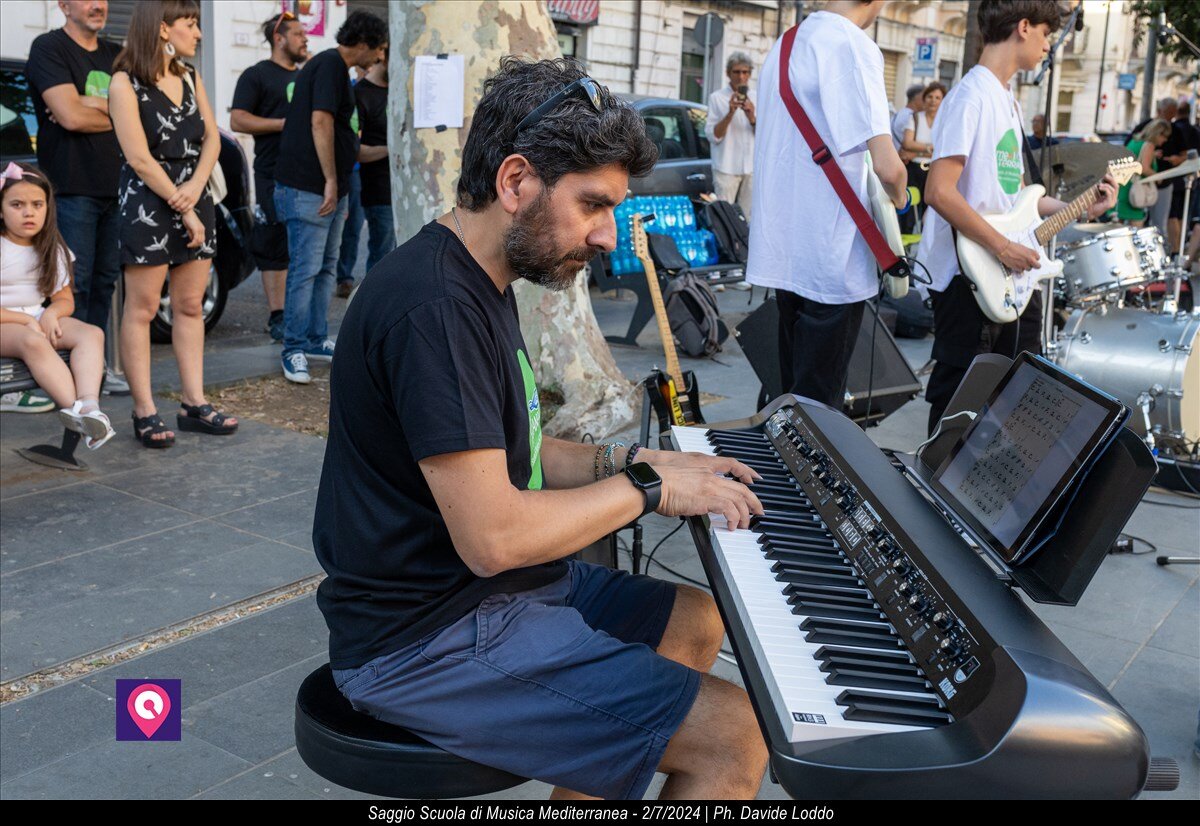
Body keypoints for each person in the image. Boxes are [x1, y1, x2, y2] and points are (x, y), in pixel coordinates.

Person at [317, 56, 769, 800]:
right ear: (516, 181)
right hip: (425, 638)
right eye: (593, 204)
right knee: (735, 735)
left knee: (691, 617)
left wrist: (634, 456)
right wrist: (649, 489)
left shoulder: (481, 276)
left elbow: (517, 451)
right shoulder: (434, 309)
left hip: (488, 600)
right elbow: (496, 539)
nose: (606, 235)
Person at [919, 0, 1117, 435]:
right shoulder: (971, 97)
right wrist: (1003, 246)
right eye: (1047, 34)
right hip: (968, 275)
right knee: (960, 402)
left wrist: (1087, 203)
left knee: (1014, 390)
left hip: (1003, 272)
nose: (1049, 46)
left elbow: (1017, 202)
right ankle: (930, 491)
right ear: (1023, 28)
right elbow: (938, 191)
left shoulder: (1006, 99)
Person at [746, 0, 908, 408]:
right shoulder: (852, 44)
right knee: (819, 415)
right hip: (831, 260)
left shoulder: (784, 46)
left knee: (789, 402)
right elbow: (889, 169)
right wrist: (901, 198)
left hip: (785, 254)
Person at [109, 0, 237, 448]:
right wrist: (181, 204)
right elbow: (138, 156)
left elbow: (213, 137)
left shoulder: (190, 76)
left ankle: (194, 403)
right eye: (190, 24)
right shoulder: (124, 82)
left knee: (189, 305)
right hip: (150, 197)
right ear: (163, 29)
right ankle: (144, 410)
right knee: (142, 309)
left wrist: (197, 188)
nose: (198, 33)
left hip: (193, 196)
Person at [274, 10, 388, 385]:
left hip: (330, 188)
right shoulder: (328, 65)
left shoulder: (336, 69)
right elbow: (320, 121)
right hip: (309, 187)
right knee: (306, 270)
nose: (378, 58)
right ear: (364, 44)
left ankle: (314, 337)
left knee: (326, 266)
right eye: (379, 50)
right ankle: (292, 348)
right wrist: (328, 180)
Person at [25, 0, 129, 395]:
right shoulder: (49, 48)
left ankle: (94, 370)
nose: (98, 4)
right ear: (63, 5)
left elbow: (135, 111)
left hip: (117, 186)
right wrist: (112, 110)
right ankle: (62, 376)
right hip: (71, 190)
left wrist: (89, 104)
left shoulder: (116, 53)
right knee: (74, 286)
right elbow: (68, 116)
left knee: (104, 283)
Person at [0, 162, 114, 449]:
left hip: (35, 316)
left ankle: (90, 407)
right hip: (6, 323)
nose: (29, 212)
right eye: (17, 204)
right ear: (0, 209)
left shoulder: (52, 246)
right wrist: (25, 321)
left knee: (92, 334)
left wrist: (51, 312)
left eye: (37, 204)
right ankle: (75, 412)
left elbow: (65, 299)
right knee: (33, 341)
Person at [230, 11, 308, 343]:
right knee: (273, 244)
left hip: (307, 176)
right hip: (271, 175)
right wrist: (282, 125)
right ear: (279, 39)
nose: (305, 39)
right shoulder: (255, 75)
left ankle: (299, 318)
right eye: (298, 34)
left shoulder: (307, 76)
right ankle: (277, 316)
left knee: (301, 248)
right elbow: (238, 120)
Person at [352, 52, 396, 276]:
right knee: (383, 257)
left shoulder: (400, 88)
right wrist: (393, 149)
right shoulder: (359, 94)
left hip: (402, 191)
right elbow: (355, 151)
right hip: (378, 191)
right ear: (383, 57)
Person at [705, 52, 756, 219]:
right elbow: (713, 136)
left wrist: (751, 116)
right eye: (736, 72)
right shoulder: (717, 98)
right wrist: (730, 113)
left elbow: (765, 136)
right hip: (726, 167)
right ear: (728, 73)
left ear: (749, 74)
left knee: (749, 218)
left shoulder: (757, 97)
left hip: (752, 167)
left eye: (745, 72)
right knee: (724, 218)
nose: (741, 76)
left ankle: (745, 246)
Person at [335, 65, 368, 299]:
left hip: (372, 169)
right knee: (350, 225)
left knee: (357, 226)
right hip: (352, 168)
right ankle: (344, 277)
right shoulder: (351, 90)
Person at [1113, 119, 1170, 227]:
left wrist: (1152, 155)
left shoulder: (1135, 141)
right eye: (1164, 136)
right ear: (1157, 134)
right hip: (1134, 192)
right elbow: (1144, 168)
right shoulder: (1149, 145)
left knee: (1118, 230)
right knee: (1136, 231)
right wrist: (1158, 177)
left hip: (1124, 188)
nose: (1165, 140)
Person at [901, 81, 945, 205]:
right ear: (924, 98)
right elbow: (907, 143)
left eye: (938, 98)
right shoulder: (915, 118)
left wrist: (915, 153)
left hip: (935, 172)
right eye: (930, 97)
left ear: (943, 101)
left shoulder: (945, 121)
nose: (933, 101)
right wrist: (930, 148)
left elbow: (943, 151)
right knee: (909, 214)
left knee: (930, 212)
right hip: (913, 171)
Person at [1167, 100, 1200, 254]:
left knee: (1173, 215)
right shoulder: (1195, 131)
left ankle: (1175, 250)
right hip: (1191, 179)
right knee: (1183, 215)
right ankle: (1179, 248)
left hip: (1174, 179)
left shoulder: (1174, 129)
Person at [891, 83, 925, 162]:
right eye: (925, 96)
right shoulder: (911, 117)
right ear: (917, 97)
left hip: (895, 160)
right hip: (905, 162)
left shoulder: (898, 114)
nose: (927, 100)